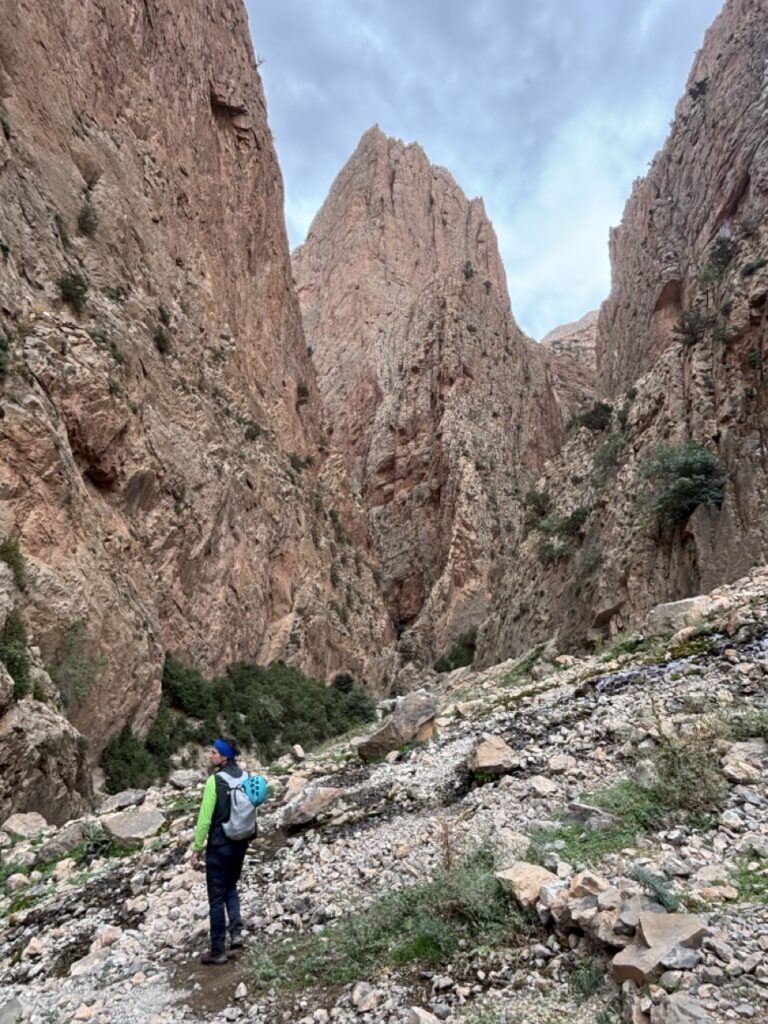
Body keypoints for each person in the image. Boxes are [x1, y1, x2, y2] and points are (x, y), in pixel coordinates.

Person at [191, 737, 254, 964]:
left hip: (219, 845)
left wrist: (197, 848)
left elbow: (205, 819)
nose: (211, 755)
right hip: (241, 842)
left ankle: (217, 950)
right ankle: (236, 932)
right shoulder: (246, 777)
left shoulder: (214, 781)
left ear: (225, 756)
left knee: (216, 897)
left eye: (215, 753)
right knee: (231, 886)